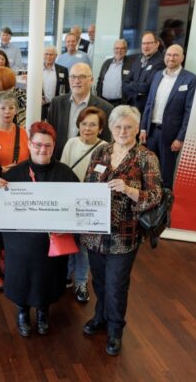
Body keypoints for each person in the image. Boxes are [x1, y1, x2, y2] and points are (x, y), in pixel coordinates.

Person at [81, 105, 162, 356]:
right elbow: (86, 185)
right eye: (118, 126)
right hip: (95, 233)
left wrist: (129, 190)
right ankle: (100, 316)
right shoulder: (101, 151)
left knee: (116, 284)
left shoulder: (146, 157)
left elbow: (156, 196)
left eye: (128, 127)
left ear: (137, 129)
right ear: (110, 128)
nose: (123, 131)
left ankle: (115, 329)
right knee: (99, 280)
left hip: (124, 235)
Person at [0, 121, 79, 337]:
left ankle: (43, 311)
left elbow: (78, 206)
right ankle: (22, 312)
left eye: (47, 145)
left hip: (52, 243)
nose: (42, 149)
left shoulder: (65, 173)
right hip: (21, 243)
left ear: (54, 146)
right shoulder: (14, 174)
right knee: (22, 278)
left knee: (48, 279)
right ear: (29, 144)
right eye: (38, 145)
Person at [0, 91, 30, 290]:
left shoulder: (23, 132)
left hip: (18, 188)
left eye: (11, 108)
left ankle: (2, 256)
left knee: (14, 226)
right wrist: (0, 169)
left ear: (16, 110)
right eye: (3, 107)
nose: (7, 111)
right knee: (4, 227)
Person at [60, 106, 108, 303]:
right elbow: (62, 171)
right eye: (84, 124)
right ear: (78, 125)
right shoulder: (71, 143)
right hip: (70, 200)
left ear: (101, 128)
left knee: (84, 246)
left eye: (93, 125)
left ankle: (81, 282)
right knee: (68, 240)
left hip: (90, 205)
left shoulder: (105, 148)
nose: (87, 128)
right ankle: (67, 275)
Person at [139, 44, 196, 189]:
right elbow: (149, 103)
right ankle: (149, 200)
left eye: (175, 55)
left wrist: (180, 138)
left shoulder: (190, 79)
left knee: (165, 175)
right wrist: (143, 128)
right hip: (151, 133)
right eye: (169, 55)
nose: (171, 58)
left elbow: (189, 112)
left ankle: (165, 203)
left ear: (182, 58)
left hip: (171, 137)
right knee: (147, 172)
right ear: (164, 57)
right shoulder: (158, 75)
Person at [47, 63, 114, 160]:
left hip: (88, 162)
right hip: (58, 160)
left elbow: (105, 144)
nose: (76, 81)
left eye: (82, 77)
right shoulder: (57, 103)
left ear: (91, 80)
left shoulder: (105, 108)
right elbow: (50, 134)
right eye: (73, 77)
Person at [122, 31, 165, 113]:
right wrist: (136, 91)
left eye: (149, 43)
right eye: (143, 43)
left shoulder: (161, 62)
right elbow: (124, 83)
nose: (145, 46)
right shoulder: (138, 60)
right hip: (131, 105)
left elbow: (147, 87)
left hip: (146, 108)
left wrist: (131, 85)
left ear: (157, 44)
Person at [96, 39, 132, 107]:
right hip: (103, 102)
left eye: (122, 48)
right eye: (117, 48)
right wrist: (98, 98)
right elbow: (100, 80)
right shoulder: (107, 62)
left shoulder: (131, 65)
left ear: (126, 50)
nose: (119, 50)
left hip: (119, 104)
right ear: (113, 49)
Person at [41, 46, 70, 121]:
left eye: (51, 54)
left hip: (57, 106)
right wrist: (38, 97)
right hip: (40, 106)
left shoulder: (63, 70)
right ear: (43, 55)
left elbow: (67, 89)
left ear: (56, 56)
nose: (48, 56)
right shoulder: (36, 69)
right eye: (46, 54)